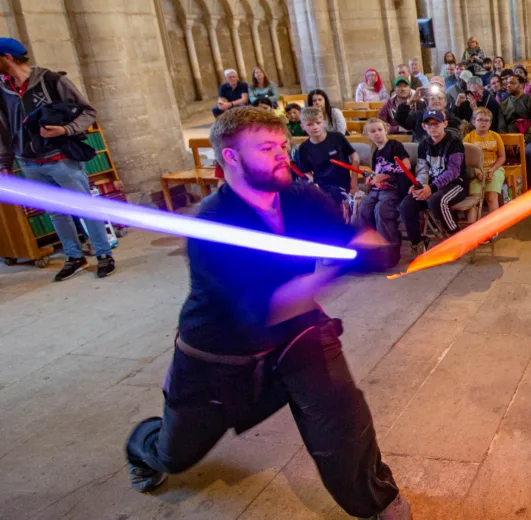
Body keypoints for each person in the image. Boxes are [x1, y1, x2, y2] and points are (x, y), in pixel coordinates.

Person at [124, 106, 410, 518]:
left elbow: (347, 236)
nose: (281, 155)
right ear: (231, 158)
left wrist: (374, 248)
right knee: (176, 453)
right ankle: (142, 448)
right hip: (220, 350)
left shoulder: (299, 194)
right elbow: (263, 309)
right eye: (265, 148)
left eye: (282, 145)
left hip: (297, 331)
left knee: (342, 417)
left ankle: (377, 500)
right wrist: (337, 268)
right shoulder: (213, 224)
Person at [0, 36, 116, 280]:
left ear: (7, 58)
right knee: (55, 211)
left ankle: (104, 254)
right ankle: (74, 257)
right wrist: (5, 163)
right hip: (29, 162)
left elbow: (88, 112)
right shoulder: (2, 91)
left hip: (61, 158)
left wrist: (66, 130)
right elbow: (3, 129)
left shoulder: (52, 81)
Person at [399, 109, 467, 253]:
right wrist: (419, 186)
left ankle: (458, 236)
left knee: (436, 201)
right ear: (424, 127)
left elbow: (453, 172)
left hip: (456, 184)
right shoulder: (423, 145)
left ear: (445, 124)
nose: (432, 127)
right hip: (432, 186)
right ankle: (417, 241)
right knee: (406, 204)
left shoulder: (454, 142)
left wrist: (431, 188)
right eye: (429, 125)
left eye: (436, 124)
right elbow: (423, 169)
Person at [356, 117, 411, 266]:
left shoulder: (394, 145)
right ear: (368, 134)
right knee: (362, 211)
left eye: (380, 130)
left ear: (385, 130)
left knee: (382, 211)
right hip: (377, 190)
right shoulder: (375, 153)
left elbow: (406, 166)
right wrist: (372, 179)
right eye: (373, 131)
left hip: (393, 189)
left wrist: (385, 176)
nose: (377, 133)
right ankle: (369, 253)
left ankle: (389, 256)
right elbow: (376, 173)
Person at [294, 107, 359, 214]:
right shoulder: (304, 148)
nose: (315, 127)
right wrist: (313, 184)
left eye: (318, 123)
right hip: (322, 187)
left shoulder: (337, 137)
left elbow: (355, 157)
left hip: (343, 184)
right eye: (310, 125)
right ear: (303, 126)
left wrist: (354, 183)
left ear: (323, 122)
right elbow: (307, 172)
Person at [499, 74, 531, 187]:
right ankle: (505, 190)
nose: (508, 85)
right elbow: (501, 125)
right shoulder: (504, 103)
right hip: (510, 140)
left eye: (512, 83)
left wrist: (524, 139)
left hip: (530, 138)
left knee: (528, 153)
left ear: (522, 85)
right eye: (507, 83)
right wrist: (507, 142)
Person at [464, 108, 506, 221]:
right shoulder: (468, 138)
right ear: (474, 122)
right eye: (480, 120)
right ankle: (472, 229)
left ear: (490, 123)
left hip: (494, 169)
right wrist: (476, 172)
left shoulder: (496, 136)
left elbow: (502, 157)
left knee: (491, 197)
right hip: (475, 170)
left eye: (487, 120)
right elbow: (466, 160)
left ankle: (493, 226)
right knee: (475, 199)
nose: (483, 122)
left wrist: (492, 170)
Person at [396, 84, 462, 143]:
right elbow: (400, 119)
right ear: (428, 102)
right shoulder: (418, 116)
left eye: (440, 98)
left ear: (445, 103)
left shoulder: (453, 120)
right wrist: (410, 101)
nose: (436, 100)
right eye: (432, 99)